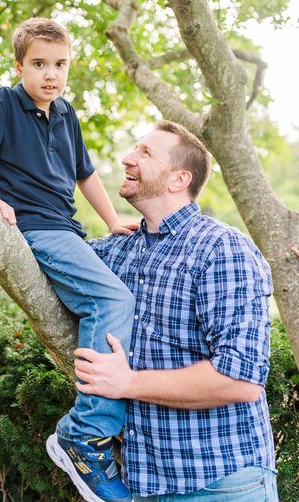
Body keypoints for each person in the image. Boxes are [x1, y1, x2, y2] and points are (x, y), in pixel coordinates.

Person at [0, 17, 137, 502]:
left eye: (60, 64)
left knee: (141, 277)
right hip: (37, 229)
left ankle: (125, 417)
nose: (50, 74)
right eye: (38, 64)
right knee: (112, 298)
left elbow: (86, 174)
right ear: (19, 66)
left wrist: (114, 221)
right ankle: (87, 433)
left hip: (70, 230)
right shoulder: (1, 104)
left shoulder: (66, 113)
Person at [74, 120, 278, 501]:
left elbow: (241, 380)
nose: (126, 159)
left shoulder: (221, 249)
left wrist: (127, 383)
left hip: (221, 484)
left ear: (178, 180)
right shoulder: (120, 249)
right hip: (142, 485)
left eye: (145, 153)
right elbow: (42, 252)